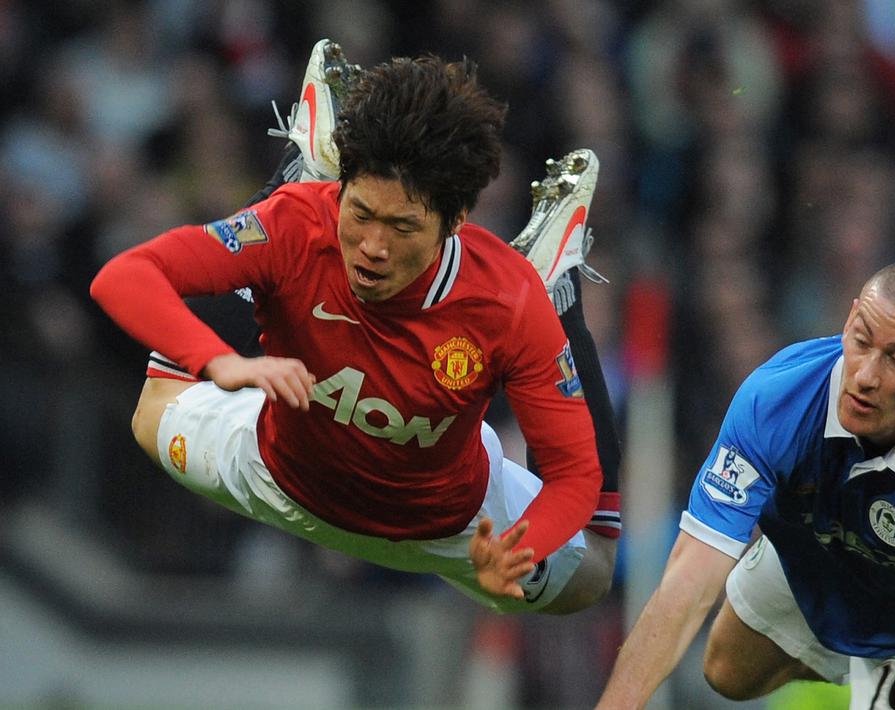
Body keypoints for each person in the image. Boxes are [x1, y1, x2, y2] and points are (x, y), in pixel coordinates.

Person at [89, 41, 622, 614]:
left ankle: (557, 288)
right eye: (360, 213)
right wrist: (221, 360)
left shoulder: (507, 301)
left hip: (450, 529)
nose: (372, 247)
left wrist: (522, 550)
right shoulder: (299, 224)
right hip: (275, 476)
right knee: (151, 413)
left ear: (456, 222)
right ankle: (305, 170)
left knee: (593, 573)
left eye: (402, 227)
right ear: (341, 190)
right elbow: (124, 276)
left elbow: (574, 476)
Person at [596, 260, 895, 709]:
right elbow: (687, 583)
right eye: (862, 339)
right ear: (850, 319)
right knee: (727, 671)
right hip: (824, 543)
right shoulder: (777, 398)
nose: (866, 375)